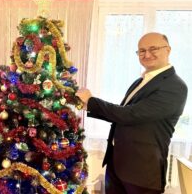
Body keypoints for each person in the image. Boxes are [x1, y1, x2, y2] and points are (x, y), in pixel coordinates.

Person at [76, 32, 187, 194]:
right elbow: (122, 115)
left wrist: (92, 101)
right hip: (118, 164)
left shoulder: (174, 86)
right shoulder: (140, 81)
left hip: (142, 171)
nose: (147, 54)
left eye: (153, 49)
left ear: (168, 50)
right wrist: (87, 104)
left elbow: (131, 114)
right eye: (141, 51)